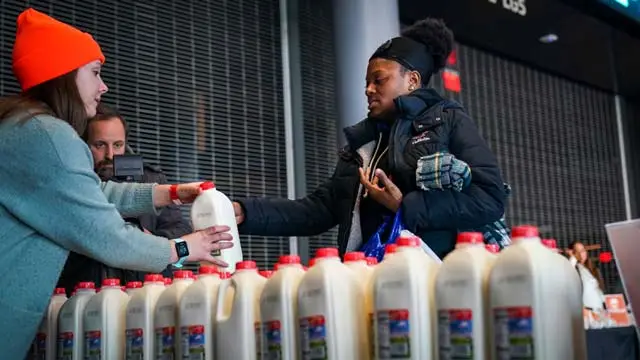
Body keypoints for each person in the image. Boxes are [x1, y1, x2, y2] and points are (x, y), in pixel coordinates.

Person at [0, 8, 232, 356]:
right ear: (63, 76)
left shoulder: (25, 128)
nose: (103, 86)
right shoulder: (50, 137)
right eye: (94, 73)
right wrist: (184, 249)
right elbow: (108, 237)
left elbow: (92, 193)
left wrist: (166, 194)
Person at [234, 18, 508, 258]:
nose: (368, 89)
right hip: (373, 278)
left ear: (412, 80)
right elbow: (316, 211)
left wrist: (405, 206)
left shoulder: (448, 119)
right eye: (366, 82)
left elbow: (489, 199)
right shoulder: (362, 145)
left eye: (379, 80)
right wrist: (245, 212)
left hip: (439, 277)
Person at [56, 104, 193, 293]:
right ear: (84, 145)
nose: (110, 154)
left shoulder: (152, 179)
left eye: (117, 145)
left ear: (126, 144)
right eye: (100, 145)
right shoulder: (73, 183)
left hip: (149, 292)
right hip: (87, 293)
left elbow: (182, 232)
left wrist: (154, 243)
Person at [567, 241, 606, 310]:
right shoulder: (573, 268)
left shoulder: (591, 268)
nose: (582, 253)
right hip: (585, 310)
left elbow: (599, 291)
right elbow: (569, 269)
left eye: (583, 250)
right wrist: (573, 257)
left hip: (598, 308)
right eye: (578, 251)